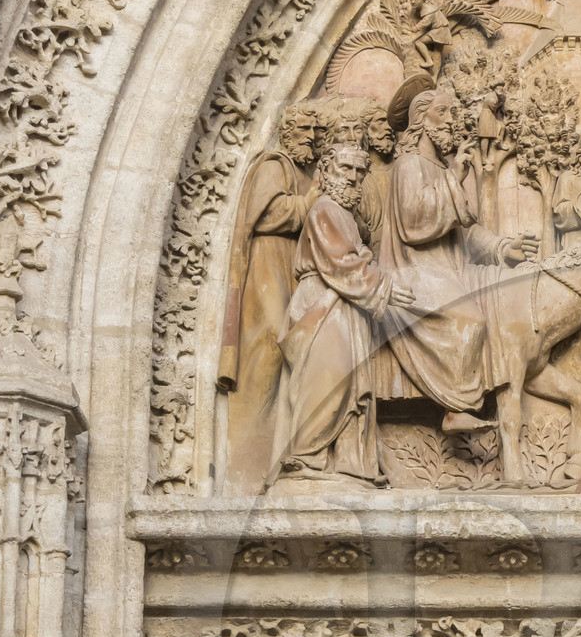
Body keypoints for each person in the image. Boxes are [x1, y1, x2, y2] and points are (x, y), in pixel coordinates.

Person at [372, 85, 534, 430]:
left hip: (451, 269)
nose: (450, 121)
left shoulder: (446, 166)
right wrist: (452, 180)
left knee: (508, 304)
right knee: (469, 320)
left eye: (451, 113)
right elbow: (415, 223)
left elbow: (466, 230)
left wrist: (502, 248)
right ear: (421, 119)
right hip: (412, 271)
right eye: (442, 112)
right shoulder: (408, 165)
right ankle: (455, 409)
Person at [267, 144, 412, 486]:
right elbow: (341, 262)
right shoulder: (324, 209)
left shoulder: (346, 216)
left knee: (352, 384)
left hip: (346, 304)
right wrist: (384, 285)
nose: (353, 178)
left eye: (360, 172)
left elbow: (354, 256)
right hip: (323, 304)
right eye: (345, 169)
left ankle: (350, 464)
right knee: (328, 377)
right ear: (326, 171)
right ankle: (306, 456)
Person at [218, 104, 323, 489]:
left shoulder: (303, 172)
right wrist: (307, 203)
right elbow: (263, 215)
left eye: (315, 131)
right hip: (267, 263)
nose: (310, 137)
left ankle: (280, 448)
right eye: (304, 130)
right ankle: (247, 458)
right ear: (288, 131)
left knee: (292, 351)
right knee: (269, 347)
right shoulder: (274, 166)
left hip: (290, 266)